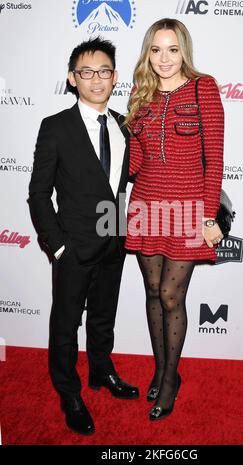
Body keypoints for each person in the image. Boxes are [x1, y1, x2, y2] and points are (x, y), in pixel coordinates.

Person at [28, 37, 139, 436]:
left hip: (114, 241)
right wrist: (58, 246)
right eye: (87, 72)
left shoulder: (126, 125)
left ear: (115, 77)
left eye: (104, 71)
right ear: (73, 79)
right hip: (72, 248)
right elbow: (38, 194)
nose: (96, 79)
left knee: (104, 318)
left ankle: (101, 371)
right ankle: (69, 392)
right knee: (65, 323)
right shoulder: (55, 127)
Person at [124, 18, 224, 421]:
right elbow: (135, 159)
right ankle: (159, 367)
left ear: (184, 50)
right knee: (151, 291)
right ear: (148, 52)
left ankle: (170, 378)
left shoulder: (204, 88)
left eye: (172, 49)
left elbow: (214, 159)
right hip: (146, 204)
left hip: (186, 209)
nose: (164, 58)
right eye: (156, 49)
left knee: (170, 296)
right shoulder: (139, 92)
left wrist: (208, 215)